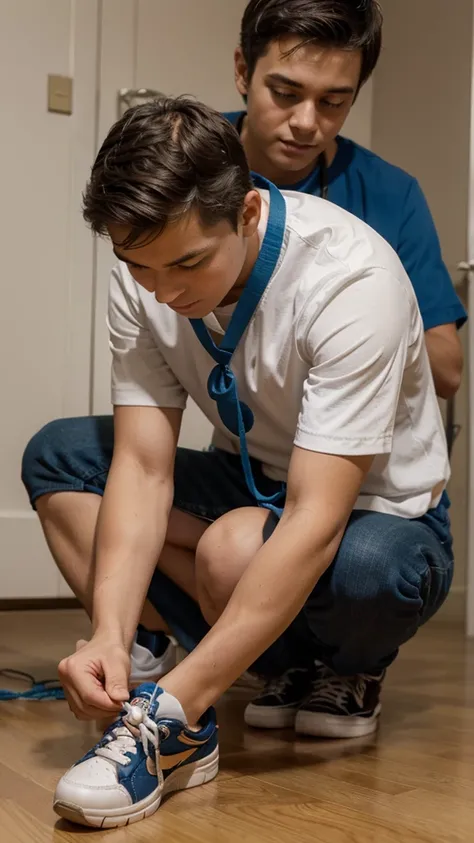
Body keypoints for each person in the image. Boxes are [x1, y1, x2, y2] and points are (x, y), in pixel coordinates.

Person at [22, 97, 452, 828]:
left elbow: (316, 520)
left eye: (188, 263)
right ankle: (204, 663)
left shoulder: (353, 281)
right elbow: (144, 467)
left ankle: (321, 673)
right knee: (61, 456)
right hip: (250, 480)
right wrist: (107, 631)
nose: (164, 290)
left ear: (248, 213)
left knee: (340, 564)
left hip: (376, 515)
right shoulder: (146, 267)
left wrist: (173, 712)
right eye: (141, 266)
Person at [224, 0, 466, 400]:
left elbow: (446, 372)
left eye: (333, 103)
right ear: (243, 71)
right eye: (285, 93)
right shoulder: (188, 161)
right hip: (242, 446)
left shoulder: (390, 194)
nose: (306, 123)